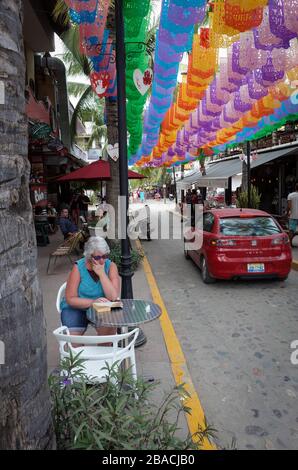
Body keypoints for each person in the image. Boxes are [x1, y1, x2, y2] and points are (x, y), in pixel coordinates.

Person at [60, 236, 120, 337]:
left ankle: (102, 350)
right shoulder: (78, 267)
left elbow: (113, 298)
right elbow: (70, 299)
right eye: (97, 257)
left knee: (108, 336)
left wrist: (102, 274)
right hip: (77, 308)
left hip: (102, 307)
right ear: (89, 256)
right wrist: (93, 302)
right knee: (73, 342)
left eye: (104, 256)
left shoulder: (111, 266)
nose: (102, 261)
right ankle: (81, 351)